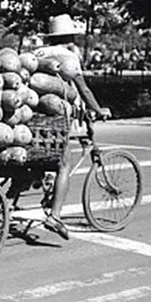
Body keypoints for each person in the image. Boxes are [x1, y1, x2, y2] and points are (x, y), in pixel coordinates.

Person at [34, 14, 110, 240]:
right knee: (63, 165)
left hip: (31, 115)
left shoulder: (37, 53)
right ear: (69, 37)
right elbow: (83, 89)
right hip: (56, 118)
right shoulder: (67, 56)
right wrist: (98, 110)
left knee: (34, 159)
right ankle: (55, 216)